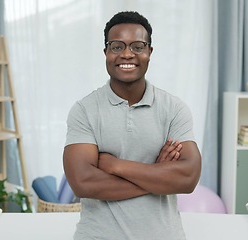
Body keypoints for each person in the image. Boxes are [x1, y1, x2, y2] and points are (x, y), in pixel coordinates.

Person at [63, 11, 202, 239]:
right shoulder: (84, 110)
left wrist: (115, 165)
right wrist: (159, 176)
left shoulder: (174, 108)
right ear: (106, 52)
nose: (127, 54)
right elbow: (83, 182)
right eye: (117, 46)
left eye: (137, 46)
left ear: (149, 52)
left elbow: (188, 179)